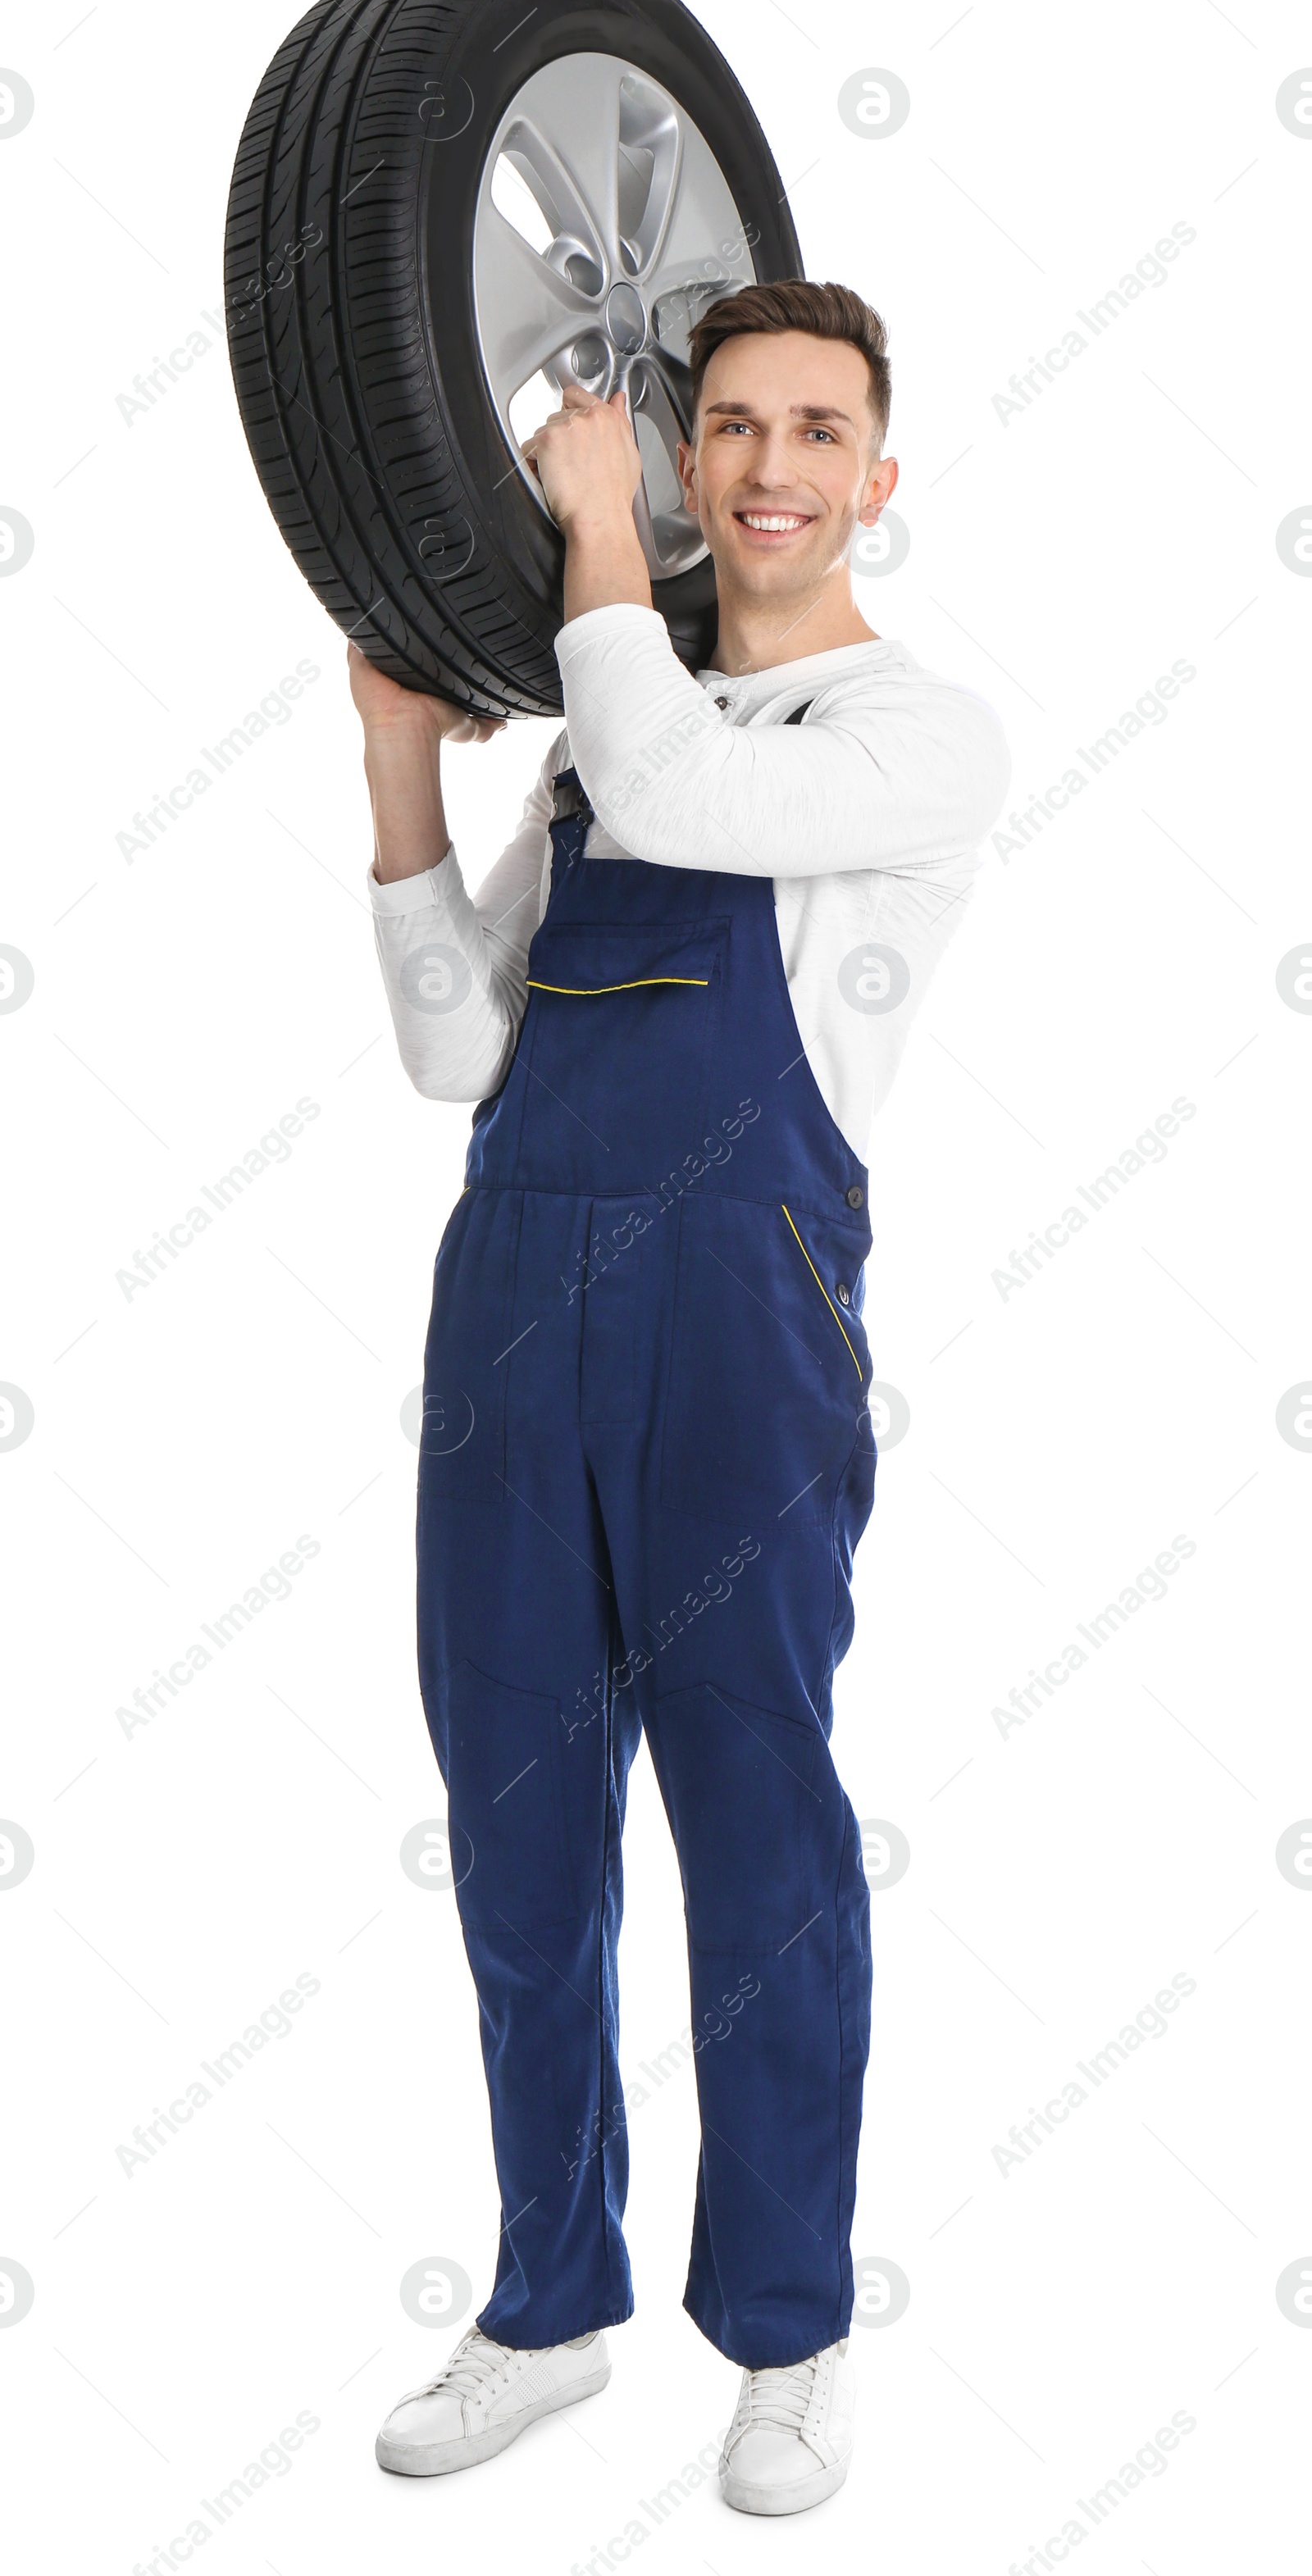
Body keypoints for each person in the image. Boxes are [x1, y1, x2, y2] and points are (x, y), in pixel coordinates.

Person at [352, 280, 1009, 2516]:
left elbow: (674, 771)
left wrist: (592, 525)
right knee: (523, 1850)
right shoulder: (590, 733)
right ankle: (546, 2303)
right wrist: (392, 765)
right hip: (513, 1315)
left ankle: (792, 2332)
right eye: (720, 423)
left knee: (757, 1843)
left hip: (742, 1326)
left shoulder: (910, 737)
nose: (764, 466)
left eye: (814, 429)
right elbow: (459, 1049)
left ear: (876, 478)